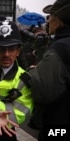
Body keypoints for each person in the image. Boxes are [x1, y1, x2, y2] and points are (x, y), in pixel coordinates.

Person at [28, 0, 70, 140]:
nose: (48, 20)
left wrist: (34, 72)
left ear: (59, 19)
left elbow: (43, 90)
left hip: (58, 125)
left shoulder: (60, 47)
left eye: (50, 16)